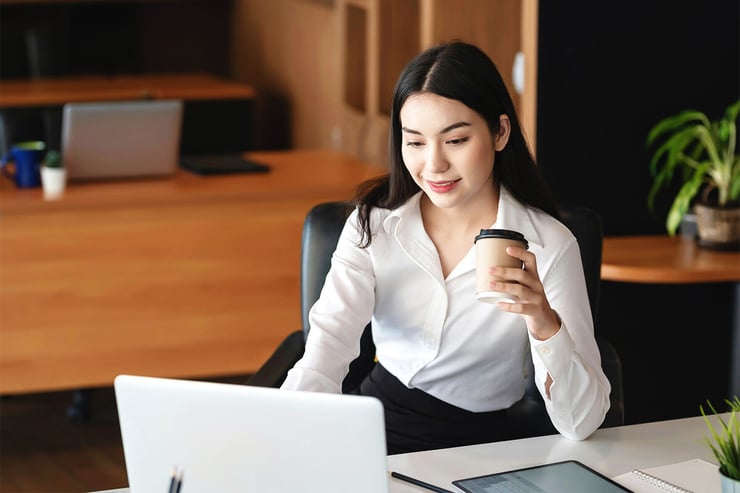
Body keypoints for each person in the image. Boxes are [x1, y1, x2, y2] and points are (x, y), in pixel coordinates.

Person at [281, 40, 611, 454]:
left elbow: (582, 422)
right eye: (415, 142)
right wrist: (286, 434)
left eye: (455, 141)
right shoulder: (375, 225)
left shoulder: (549, 245)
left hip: (481, 448)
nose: (433, 164)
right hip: (377, 423)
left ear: (500, 132)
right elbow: (328, 347)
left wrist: (543, 321)